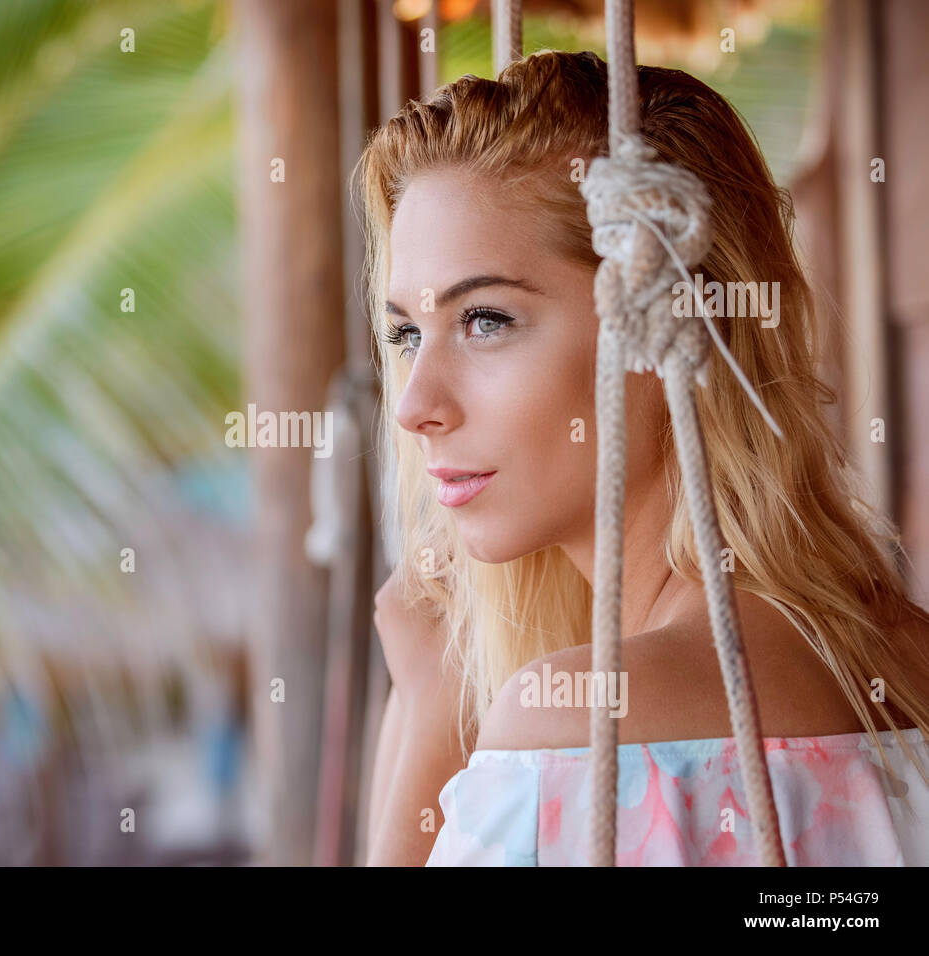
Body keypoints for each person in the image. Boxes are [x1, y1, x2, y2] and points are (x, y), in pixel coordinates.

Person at [355, 50, 929, 866]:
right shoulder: (908, 656)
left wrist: (427, 712)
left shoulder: (574, 734)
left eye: (486, 320)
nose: (415, 406)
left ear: (672, 326)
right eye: (408, 333)